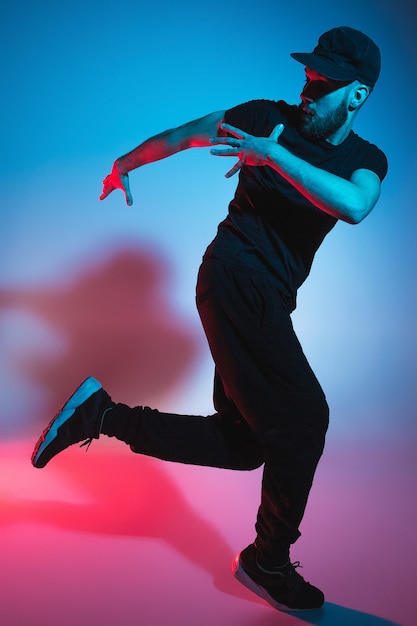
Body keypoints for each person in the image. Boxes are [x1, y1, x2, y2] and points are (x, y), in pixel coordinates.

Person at [31, 26, 388, 613]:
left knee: (247, 442)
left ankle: (102, 414)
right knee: (303, 422)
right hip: (233, 278)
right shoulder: (263, 115)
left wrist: (272, 155)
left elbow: (353, 205)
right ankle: (267, 562)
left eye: (324, 84)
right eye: (307, 75)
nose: (307, 89)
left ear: (356, 96)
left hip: (267, 297)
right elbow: (183, 135)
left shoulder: (364, 159)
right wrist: (125, 162)